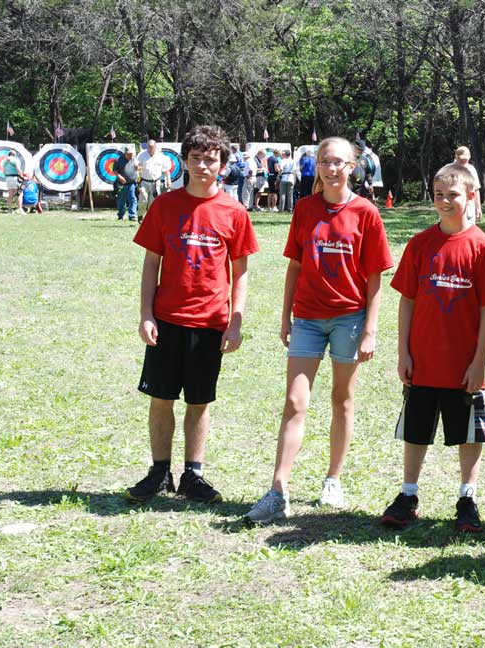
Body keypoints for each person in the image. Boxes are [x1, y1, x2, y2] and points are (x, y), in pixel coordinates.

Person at [243, 136, 393, 524]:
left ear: (353, 166)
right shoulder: (306, 209)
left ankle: (333, 479)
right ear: (318, 164)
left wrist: (371, 330)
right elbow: (294, 265)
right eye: (325, 161)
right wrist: (284, 316)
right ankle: (278, 490)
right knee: (295, 402)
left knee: (342, 399)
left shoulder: (366, 213)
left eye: (339, 162)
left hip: (350, 319)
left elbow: (375, 278)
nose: (331, 168)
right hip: (307, 318)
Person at [124, 124, 259, 505]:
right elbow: (152, 264)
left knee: (199, 402)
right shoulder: (165, 206)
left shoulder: (234, 212)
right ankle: (159, 471)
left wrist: (236, 321)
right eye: (196, 158)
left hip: (210, 322)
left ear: (223, 165)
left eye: (211, 159)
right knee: (161, 397)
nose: (203, 166)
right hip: (167, 320)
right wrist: (146, 314)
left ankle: (193, 475)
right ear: (183, 161)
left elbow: (241, 272)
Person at [379, 163, 485, 532]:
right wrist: (403, 352)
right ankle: (408, 494)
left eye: (453, 195)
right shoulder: (421, 244)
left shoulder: (483, 248)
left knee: (468, 432)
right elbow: (407, 300)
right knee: (416, 429)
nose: (445, 201)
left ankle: (467, 497)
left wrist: (479, 362)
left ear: (470, 196)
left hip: (463, 364)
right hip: (423, 360)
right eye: (438, 195)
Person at [137, 140, 173, 212]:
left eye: (152, 148)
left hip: (156, 182)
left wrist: (169, 181)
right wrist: (138, 178)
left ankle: (150, 219)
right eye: (149, 147)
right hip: (144, 181)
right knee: (143, 199)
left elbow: (166, 170)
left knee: (153, 202)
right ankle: (140, 215)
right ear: (147, 147)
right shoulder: (141, 155)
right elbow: (137, 167)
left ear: (155, 147)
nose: (150, 149)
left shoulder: (161, 156)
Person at [453, 146, 483, 223]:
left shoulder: (472, 170)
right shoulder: (448, 170)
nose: (463, 162)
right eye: (461, 160)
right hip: (453, 210)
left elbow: (476, 190)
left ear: (469, 157)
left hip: (469, 211)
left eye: (465, 160)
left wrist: (478, 208)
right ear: (456, 157)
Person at [116, 145, 141, 223]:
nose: (130, 155)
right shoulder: (118, 160)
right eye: (129, 154)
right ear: (125, 153)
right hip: (121, 184)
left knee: (132, 198)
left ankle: (132, 215)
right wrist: (120, 177)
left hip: (132, 183)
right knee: (121, 200)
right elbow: (115, 171)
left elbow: (139, 167)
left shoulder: (134, 159)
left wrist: (138, 168)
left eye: (131, 154)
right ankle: (120, 215)